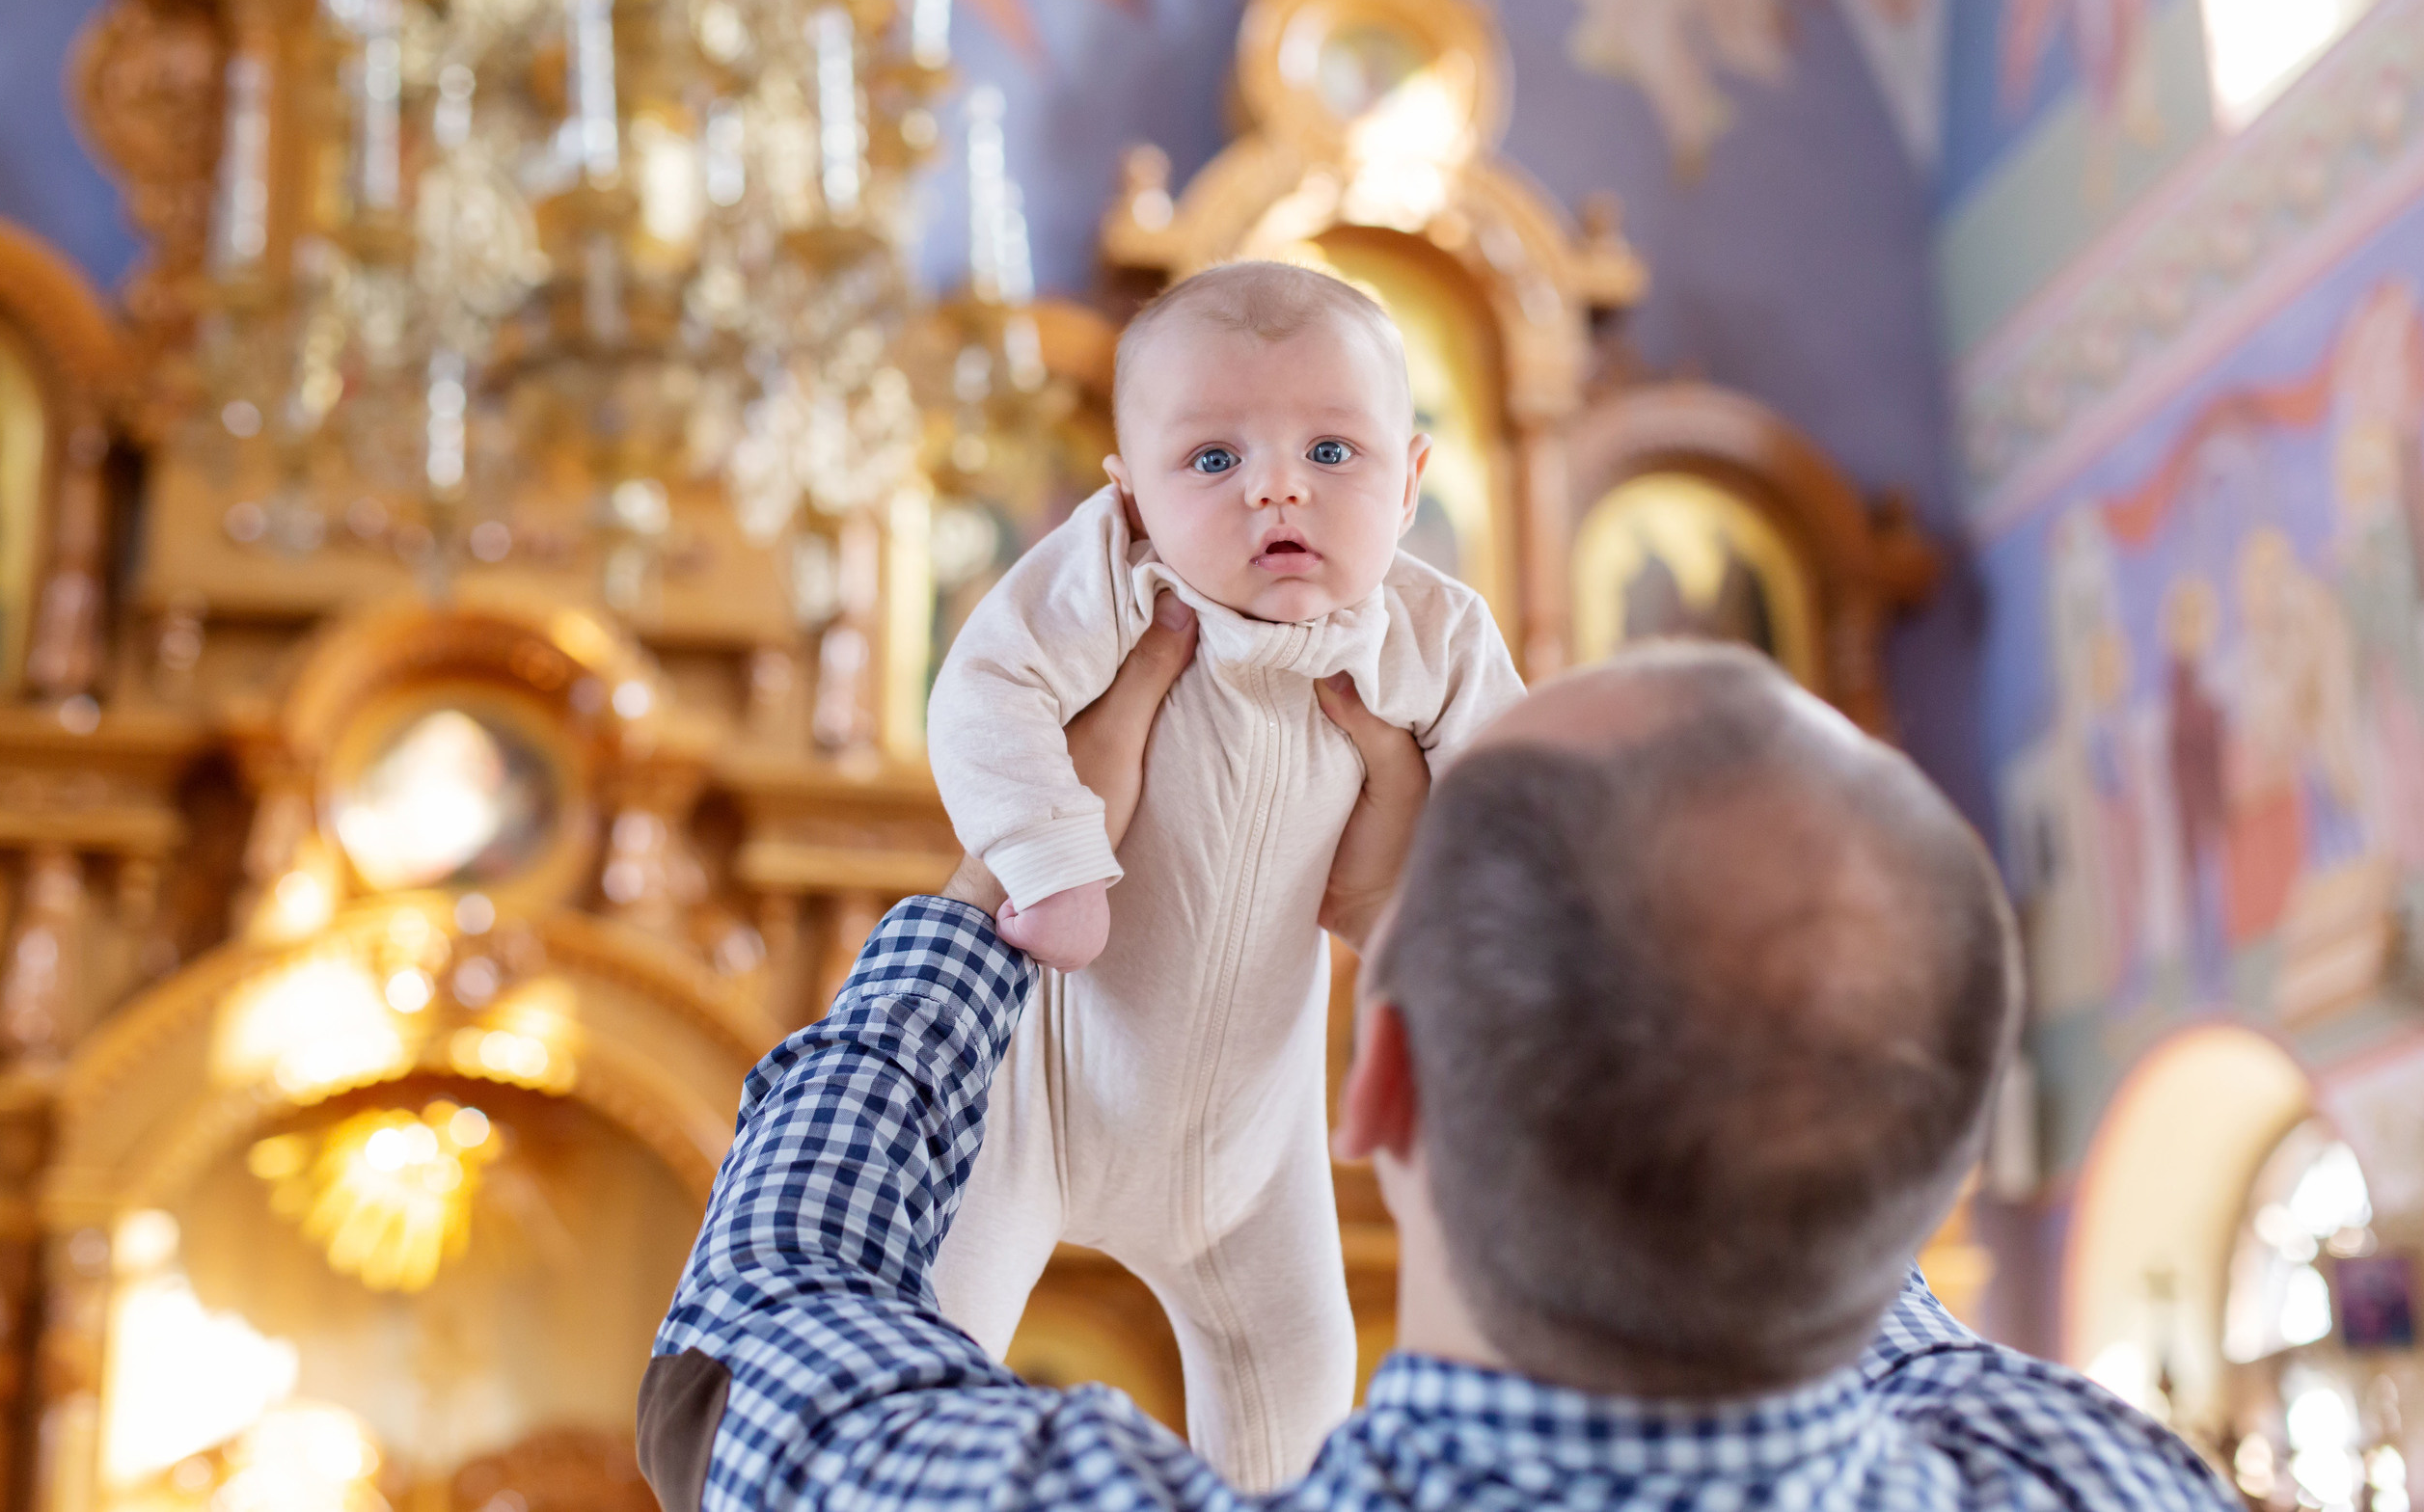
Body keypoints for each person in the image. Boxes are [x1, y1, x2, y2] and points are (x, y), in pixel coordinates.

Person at [643, 633, 2236, 1510]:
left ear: (1378, 1079)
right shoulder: (2093, 1478)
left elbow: (775, 1323)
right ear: (1936, 1144)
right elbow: (1817, 1161)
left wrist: (1022, 876)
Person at [921, 261, 1523, 1486]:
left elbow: (1520, 800)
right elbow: (982, 693)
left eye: (1333, 452)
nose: (1276, 487)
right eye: (1210, 460)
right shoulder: (1113, 583)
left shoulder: (1431, 635)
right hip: (1044, 1098)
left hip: (1258, 1145)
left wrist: (1488, 939)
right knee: (928, 1346)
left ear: (1410, 484)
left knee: (1300, 1382)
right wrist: (1049, 857)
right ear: (1130, 499)